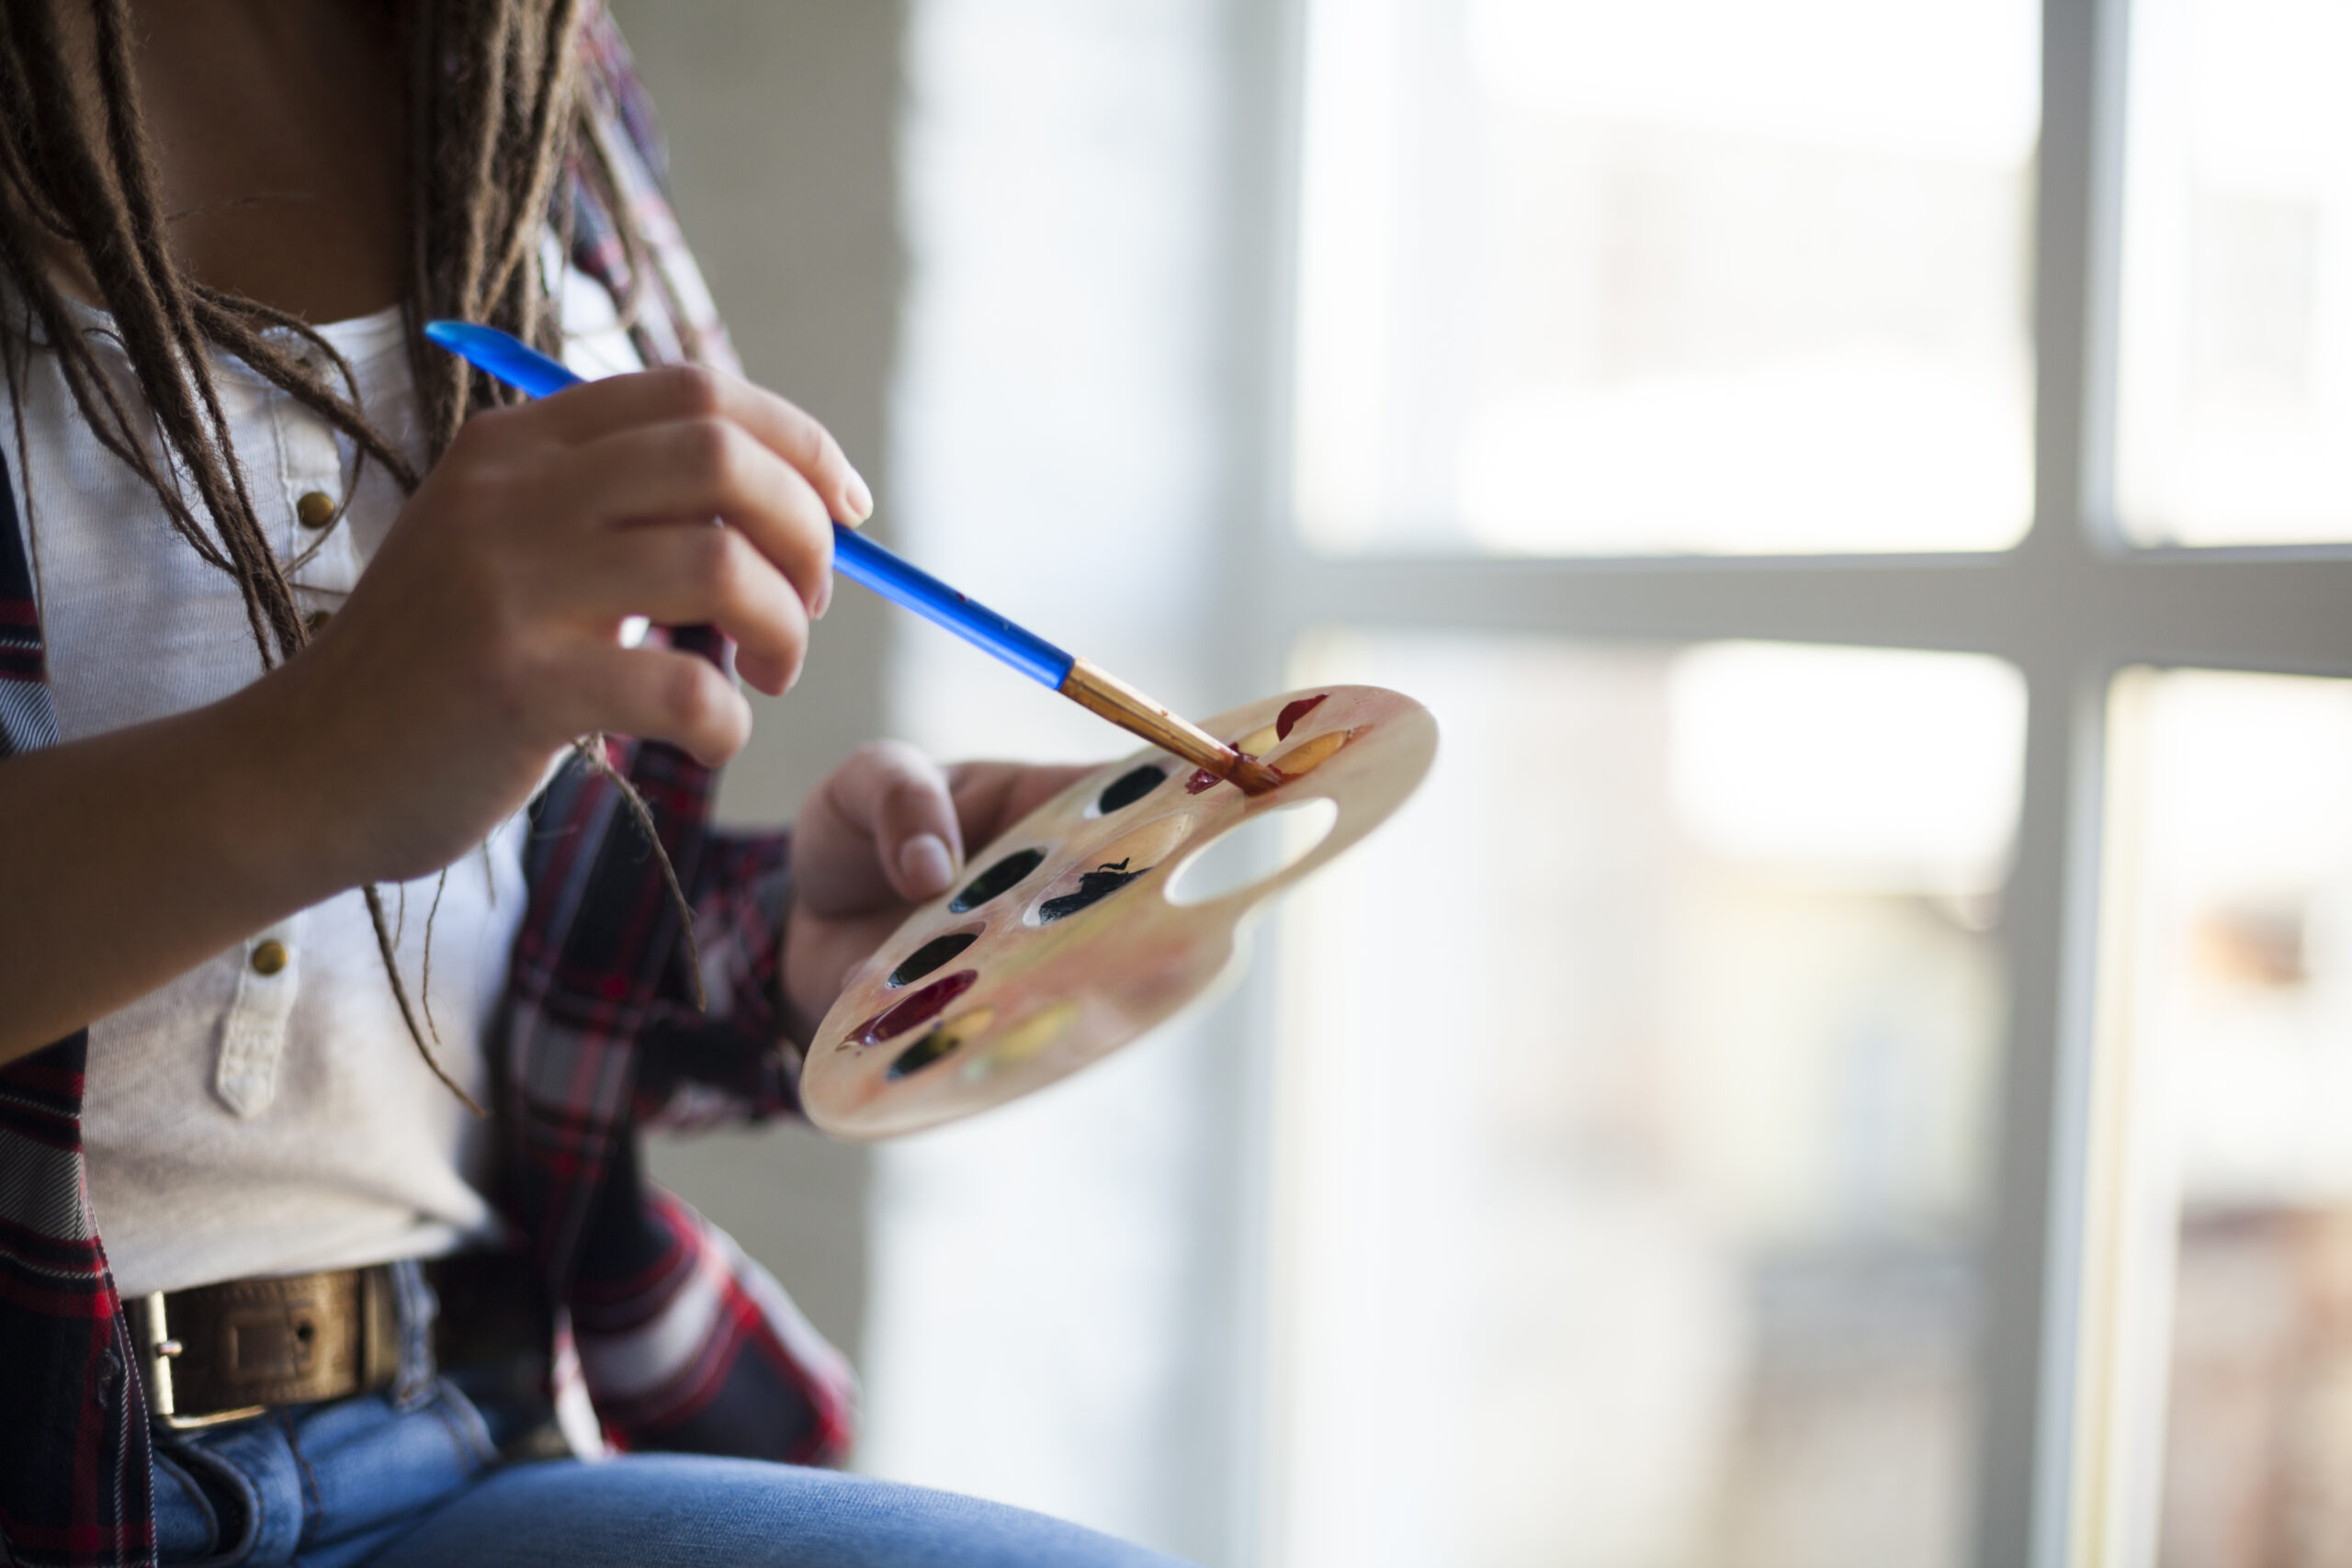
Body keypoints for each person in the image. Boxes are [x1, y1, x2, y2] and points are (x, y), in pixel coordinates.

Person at [0, 4, 1189, 1565]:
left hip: (433, 1432)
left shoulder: (531, 70)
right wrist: (308, 762)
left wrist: (761, 950)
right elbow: (347, 770)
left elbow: (407, 945)